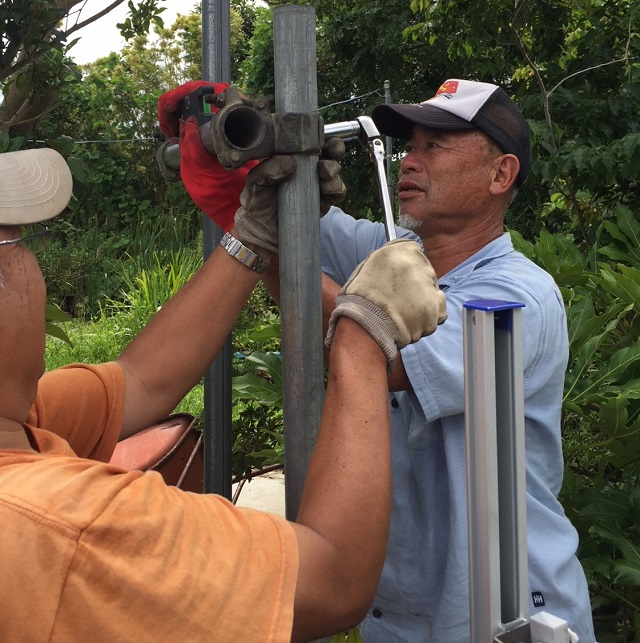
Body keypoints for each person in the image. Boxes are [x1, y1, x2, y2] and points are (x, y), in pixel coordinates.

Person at [175, 78, 596, 641]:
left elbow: (380, 351)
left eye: (435, 146)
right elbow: (292, 229)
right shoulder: (395, 254)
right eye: (411, 145)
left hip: (504, 611)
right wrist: (236, 166)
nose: (410, 162)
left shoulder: (516, 296)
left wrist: (272, 245)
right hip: (400, 616)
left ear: (501, 175)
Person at [0, 145, 447, 641]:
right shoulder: (65, 526)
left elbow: (141, 379)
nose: (33, 264)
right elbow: (332, 579)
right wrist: (363, 337)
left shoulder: (22, 423)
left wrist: (252, 235)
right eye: (22, 242)